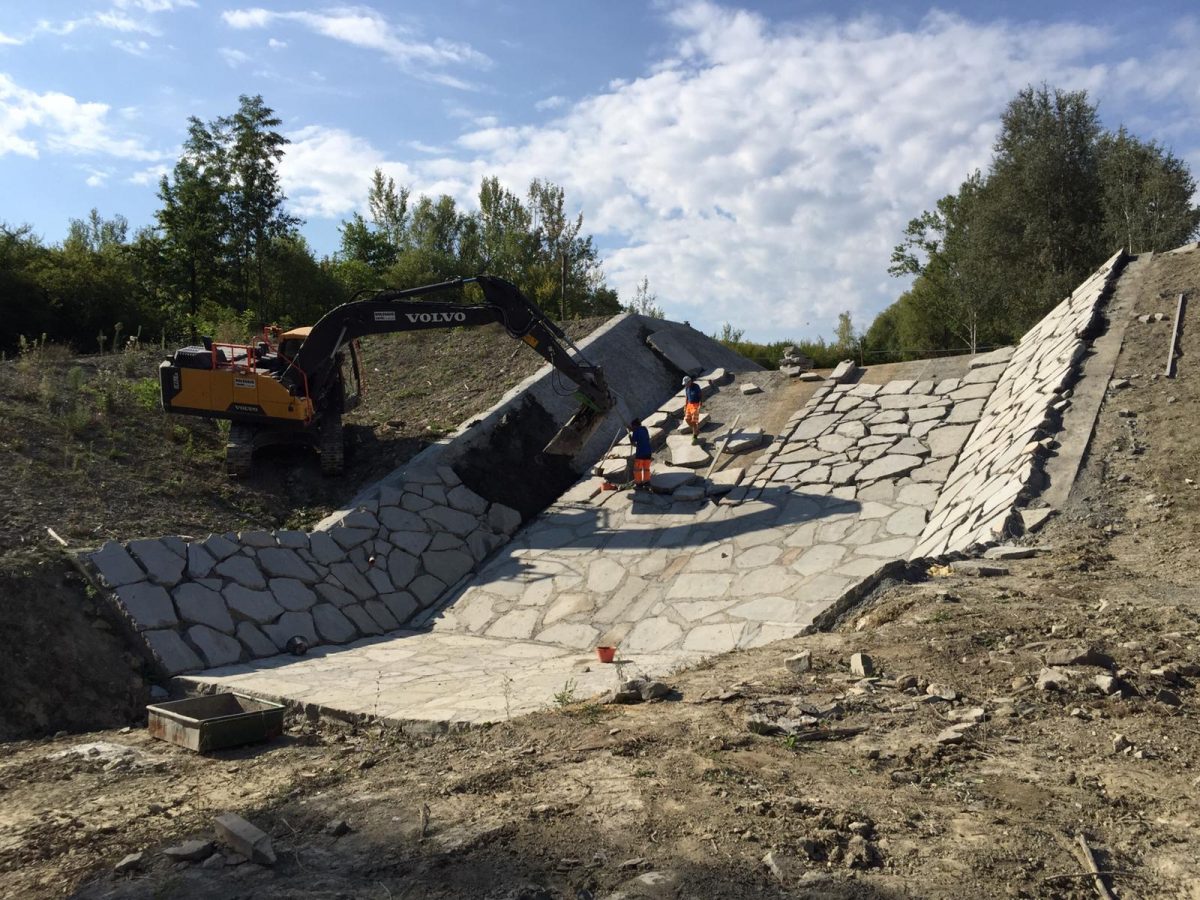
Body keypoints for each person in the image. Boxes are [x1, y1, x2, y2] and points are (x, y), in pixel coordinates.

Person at [629, 418, 652, 490]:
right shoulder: (644, 429)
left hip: (640, 453)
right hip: (648, 452)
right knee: (646, 469)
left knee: (637, 469)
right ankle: (646, 482)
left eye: (632, 426)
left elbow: (633, 442)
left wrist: (630, 437)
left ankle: (639, 484)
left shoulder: (636, 431)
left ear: (634, 426)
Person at [683, 376, 703, 441]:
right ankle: (696, 430)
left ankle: (694, 436)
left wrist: (700, 405)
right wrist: (685, 406)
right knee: (686, 419)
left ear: (690, 381)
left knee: (694, 421)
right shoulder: (686, 388)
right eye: (685, 384)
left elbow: (700, 396)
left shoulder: (696, 387)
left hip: (696, 405)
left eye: (686, 383)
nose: (685, 385)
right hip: (689, 405)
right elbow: (687, 397)